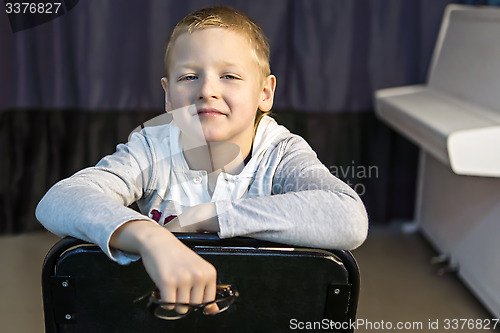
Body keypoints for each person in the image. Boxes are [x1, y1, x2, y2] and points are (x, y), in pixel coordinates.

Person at [36, 5, 368, 316]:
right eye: (189, 77)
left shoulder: (281, 153)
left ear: (265, 93)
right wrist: (152, 238)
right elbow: (59, 199)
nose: (207, 90)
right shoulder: (152, 147)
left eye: (230, 76)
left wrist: (211, 216)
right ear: (168, 95)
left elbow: (349, 218)